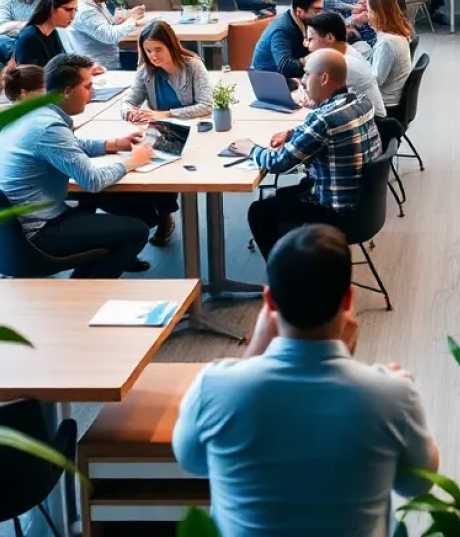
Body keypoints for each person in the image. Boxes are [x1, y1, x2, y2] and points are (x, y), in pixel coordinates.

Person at [172, 225, 438, 536]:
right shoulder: (392, 395)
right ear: (348, 299)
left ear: (269, 301)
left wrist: (256, 350)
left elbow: (193, 462)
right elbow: (418, 484)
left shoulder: (214, 388)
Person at [0, 53, 154, 277]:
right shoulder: (48, 127)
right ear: (67, 91)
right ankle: (83, 291)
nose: (92, 93)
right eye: (87, 86)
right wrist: (133, 161)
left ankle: (113, 253)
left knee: (99, 201)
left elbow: (69, 145)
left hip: (7, 231)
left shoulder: (29, 114)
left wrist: (112, 144)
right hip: (37, 233)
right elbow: (92, 181)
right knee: (137, 231)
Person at [235, 49, 382, 259]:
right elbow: (326, 132)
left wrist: (250, 148)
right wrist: (292, 133)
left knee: (260, 212)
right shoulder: (361, 101)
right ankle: (301, 258)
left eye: (306, 74)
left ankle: (286, 281)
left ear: (323, 78)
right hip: (362, 204)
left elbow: (279, 163)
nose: (302, 81)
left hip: (335, 210)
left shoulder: (323, 119)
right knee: (282, 197)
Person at [121, 20, 213, 122]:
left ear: (171, 46)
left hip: (192, 127)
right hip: (160, 129)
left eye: (158, 50)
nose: (153, 56)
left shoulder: (194, 66)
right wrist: (129, 112)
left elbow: (206, 106)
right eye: (148, 51)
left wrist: (166, 114)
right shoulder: (145, 71)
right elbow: (128, 102)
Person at [303, 11, 386, 117]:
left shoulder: (345, 64)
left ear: (329, 37)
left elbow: (319, 100)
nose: (308, 46)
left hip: (371, 121)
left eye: (311, 39)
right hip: (361, 113)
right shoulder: (346, 51)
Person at [69, 0, 146, 70]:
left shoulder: (95, 2)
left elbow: (106, 25)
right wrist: (132, 19)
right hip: (101, 67)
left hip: (112, 58)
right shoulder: (86, 11)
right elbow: (109, 36)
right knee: (148, 64)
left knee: (148, 60)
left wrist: (125, 18)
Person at [251, 0, 325, 85]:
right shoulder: (282, 30)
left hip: (290, 73)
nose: (321, 14)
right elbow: (285, 66)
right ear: (299, 11)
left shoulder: (305, 20)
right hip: (272, 78)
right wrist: (312, 58)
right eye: (316, 10)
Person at [368, 0, 413, 112]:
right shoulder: (400, 33)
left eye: (370, 11)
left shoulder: (386, 43)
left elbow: (377, 80)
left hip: (385, 104)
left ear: (379, 14)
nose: (367, 16)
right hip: (394, 97)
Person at [14, 0, 77, 68]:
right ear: (52, 9)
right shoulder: (28, 38)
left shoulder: (53, 33)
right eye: (68, 10)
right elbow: (28, 77)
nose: (73, 15)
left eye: (75, 10)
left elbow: (63, 64)